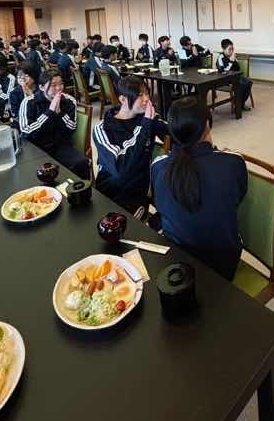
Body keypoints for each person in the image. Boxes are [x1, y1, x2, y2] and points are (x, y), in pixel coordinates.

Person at [151, 96, 248, 280]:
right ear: (207, 125)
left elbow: (159, 203)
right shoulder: (233, 162)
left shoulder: (158, 166)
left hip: (175, 263)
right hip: (222, 266)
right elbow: (239, 196)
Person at [93, 76, 169, 217]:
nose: (146, 99)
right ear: (123, 99)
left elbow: (174, 131)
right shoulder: (102, 128)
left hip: (136, 192)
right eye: (140, 95)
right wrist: (145, 126)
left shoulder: (148, 118)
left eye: (147, 93)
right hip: (107, 191)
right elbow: (121, 169)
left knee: (124, 227)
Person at [19, 69, 89, 178]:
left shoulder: (69, 100)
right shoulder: (29, 102)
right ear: (41, 87)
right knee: (27, 174)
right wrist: (49, 112)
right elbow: (26, 131)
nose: (59, 88)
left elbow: (72, 127)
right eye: (53, 85)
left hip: (59, 146)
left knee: (81, 163)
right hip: (35, 147)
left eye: (61, 84)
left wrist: (60, 113)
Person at [216, 39, 253, 111]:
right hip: (225, 79)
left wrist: (234, 61)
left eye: (232, 49)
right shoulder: (220, 57)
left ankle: (240, 103)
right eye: (229, 49)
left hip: (235, 77)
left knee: (248, 82)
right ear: (223, 49)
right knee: (242, 84)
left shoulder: (232, 56)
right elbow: (223, 71)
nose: (231, 51)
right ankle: (238, 104)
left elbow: (238, 68)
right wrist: (231, 61)